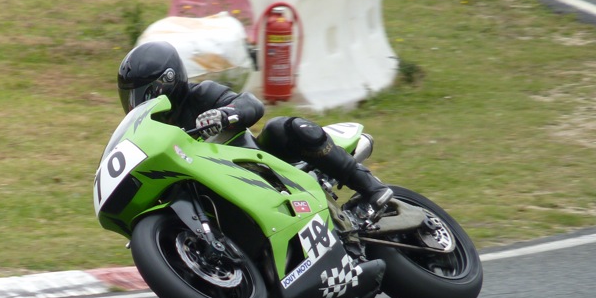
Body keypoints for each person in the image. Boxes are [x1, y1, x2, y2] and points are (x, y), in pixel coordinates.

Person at [117, 41, 393, 221]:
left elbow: (251, 104)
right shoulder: (156, 129)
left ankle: (371, 189)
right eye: (131, 98)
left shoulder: (201, 94)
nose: (138, 104)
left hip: (258, 166)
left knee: (282, 128)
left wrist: (225, 114)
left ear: (169, 81)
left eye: (144, 94)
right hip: (220, 189)